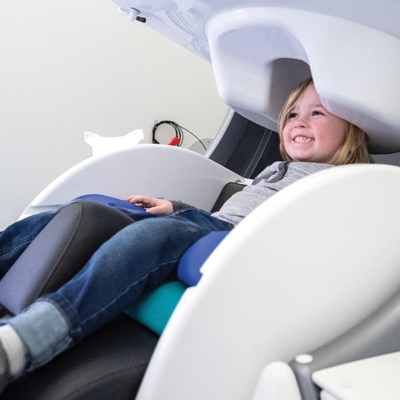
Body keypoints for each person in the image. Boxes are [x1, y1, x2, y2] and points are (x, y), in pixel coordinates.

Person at [0, 78, 373, 393]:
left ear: (353, 130)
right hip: (210, 225)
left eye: (317, 113)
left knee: (157, 235)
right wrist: (176, 207)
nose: (298, 122)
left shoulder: (345, 182)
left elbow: (313, 240)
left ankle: (25, 341)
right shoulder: (278, 168)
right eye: (292, 114)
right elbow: (224, 213)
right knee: (85, 211)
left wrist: (184, 221)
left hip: (243, 243)